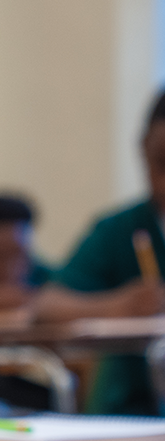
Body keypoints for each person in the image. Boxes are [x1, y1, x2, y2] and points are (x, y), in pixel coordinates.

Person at [37, 93, 165, 414]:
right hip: (131, 410)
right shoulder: (121, 230)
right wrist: (121, 305)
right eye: (161, 162)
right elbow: (48, 307)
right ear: (143, 149)